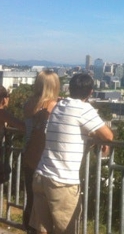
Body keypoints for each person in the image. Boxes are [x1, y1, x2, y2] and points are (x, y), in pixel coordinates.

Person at [30, 73, 114, 234]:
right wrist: (99, 140)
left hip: (41, 175)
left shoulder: (59, 105)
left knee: (42, 230)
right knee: (67, 229)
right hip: (62, 181)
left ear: (70, 89)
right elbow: (108, 135)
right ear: (90, 92)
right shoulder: (83, 108)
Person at [22, 70, 60, 233]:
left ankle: (28, 228)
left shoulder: (29, 103)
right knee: (49, 206)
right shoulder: (52, 106)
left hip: (28, 155)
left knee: (31, 200)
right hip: (45, 159)